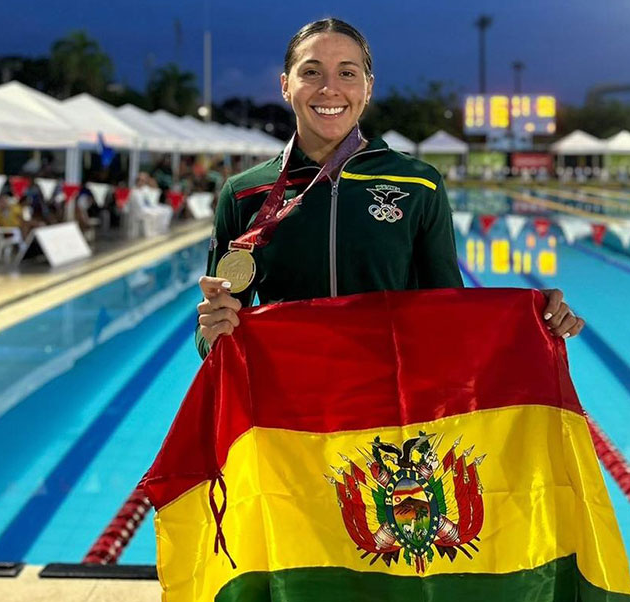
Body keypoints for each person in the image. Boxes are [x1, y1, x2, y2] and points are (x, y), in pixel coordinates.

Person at [195, 18, 583, 357]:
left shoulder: (417, 184)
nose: (329, 89)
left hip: (386, 417)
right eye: (311, 72)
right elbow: (215, 333)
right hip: (291, 419)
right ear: (285, 85)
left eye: (347, 73)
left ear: (368, 88)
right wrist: (211, 332)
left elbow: (449, 314)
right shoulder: (245, 193)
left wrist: (533, 317)